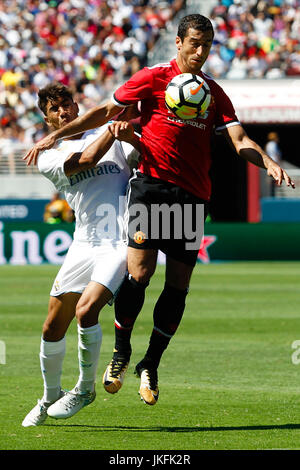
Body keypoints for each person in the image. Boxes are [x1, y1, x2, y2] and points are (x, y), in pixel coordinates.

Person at [24, 14, 295, 407]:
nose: (201, 52)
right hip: (150, 187)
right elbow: (105, 112)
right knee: (139, 274)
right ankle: (120, 355)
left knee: (178, 287)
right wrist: (57, 134)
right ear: (180, 43)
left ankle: (150, 363)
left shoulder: (214, 93)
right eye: (195, 43)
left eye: (207, 45)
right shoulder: (152, 78)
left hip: (192, 196)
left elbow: (238, 137)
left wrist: (266, 161)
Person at [22, 83, 140, 426]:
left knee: (86, 312)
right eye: (55, 110)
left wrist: (128, 136)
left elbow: (145, 157)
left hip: (118, 242)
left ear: (76, 106)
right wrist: (112, 130)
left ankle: (85, 388)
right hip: (83, 244)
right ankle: (48, 397)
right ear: (47, 120)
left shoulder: (109, 130)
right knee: (50, 327)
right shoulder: (47, 154)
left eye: (67, 105)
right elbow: (85, 161)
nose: (63, 112)